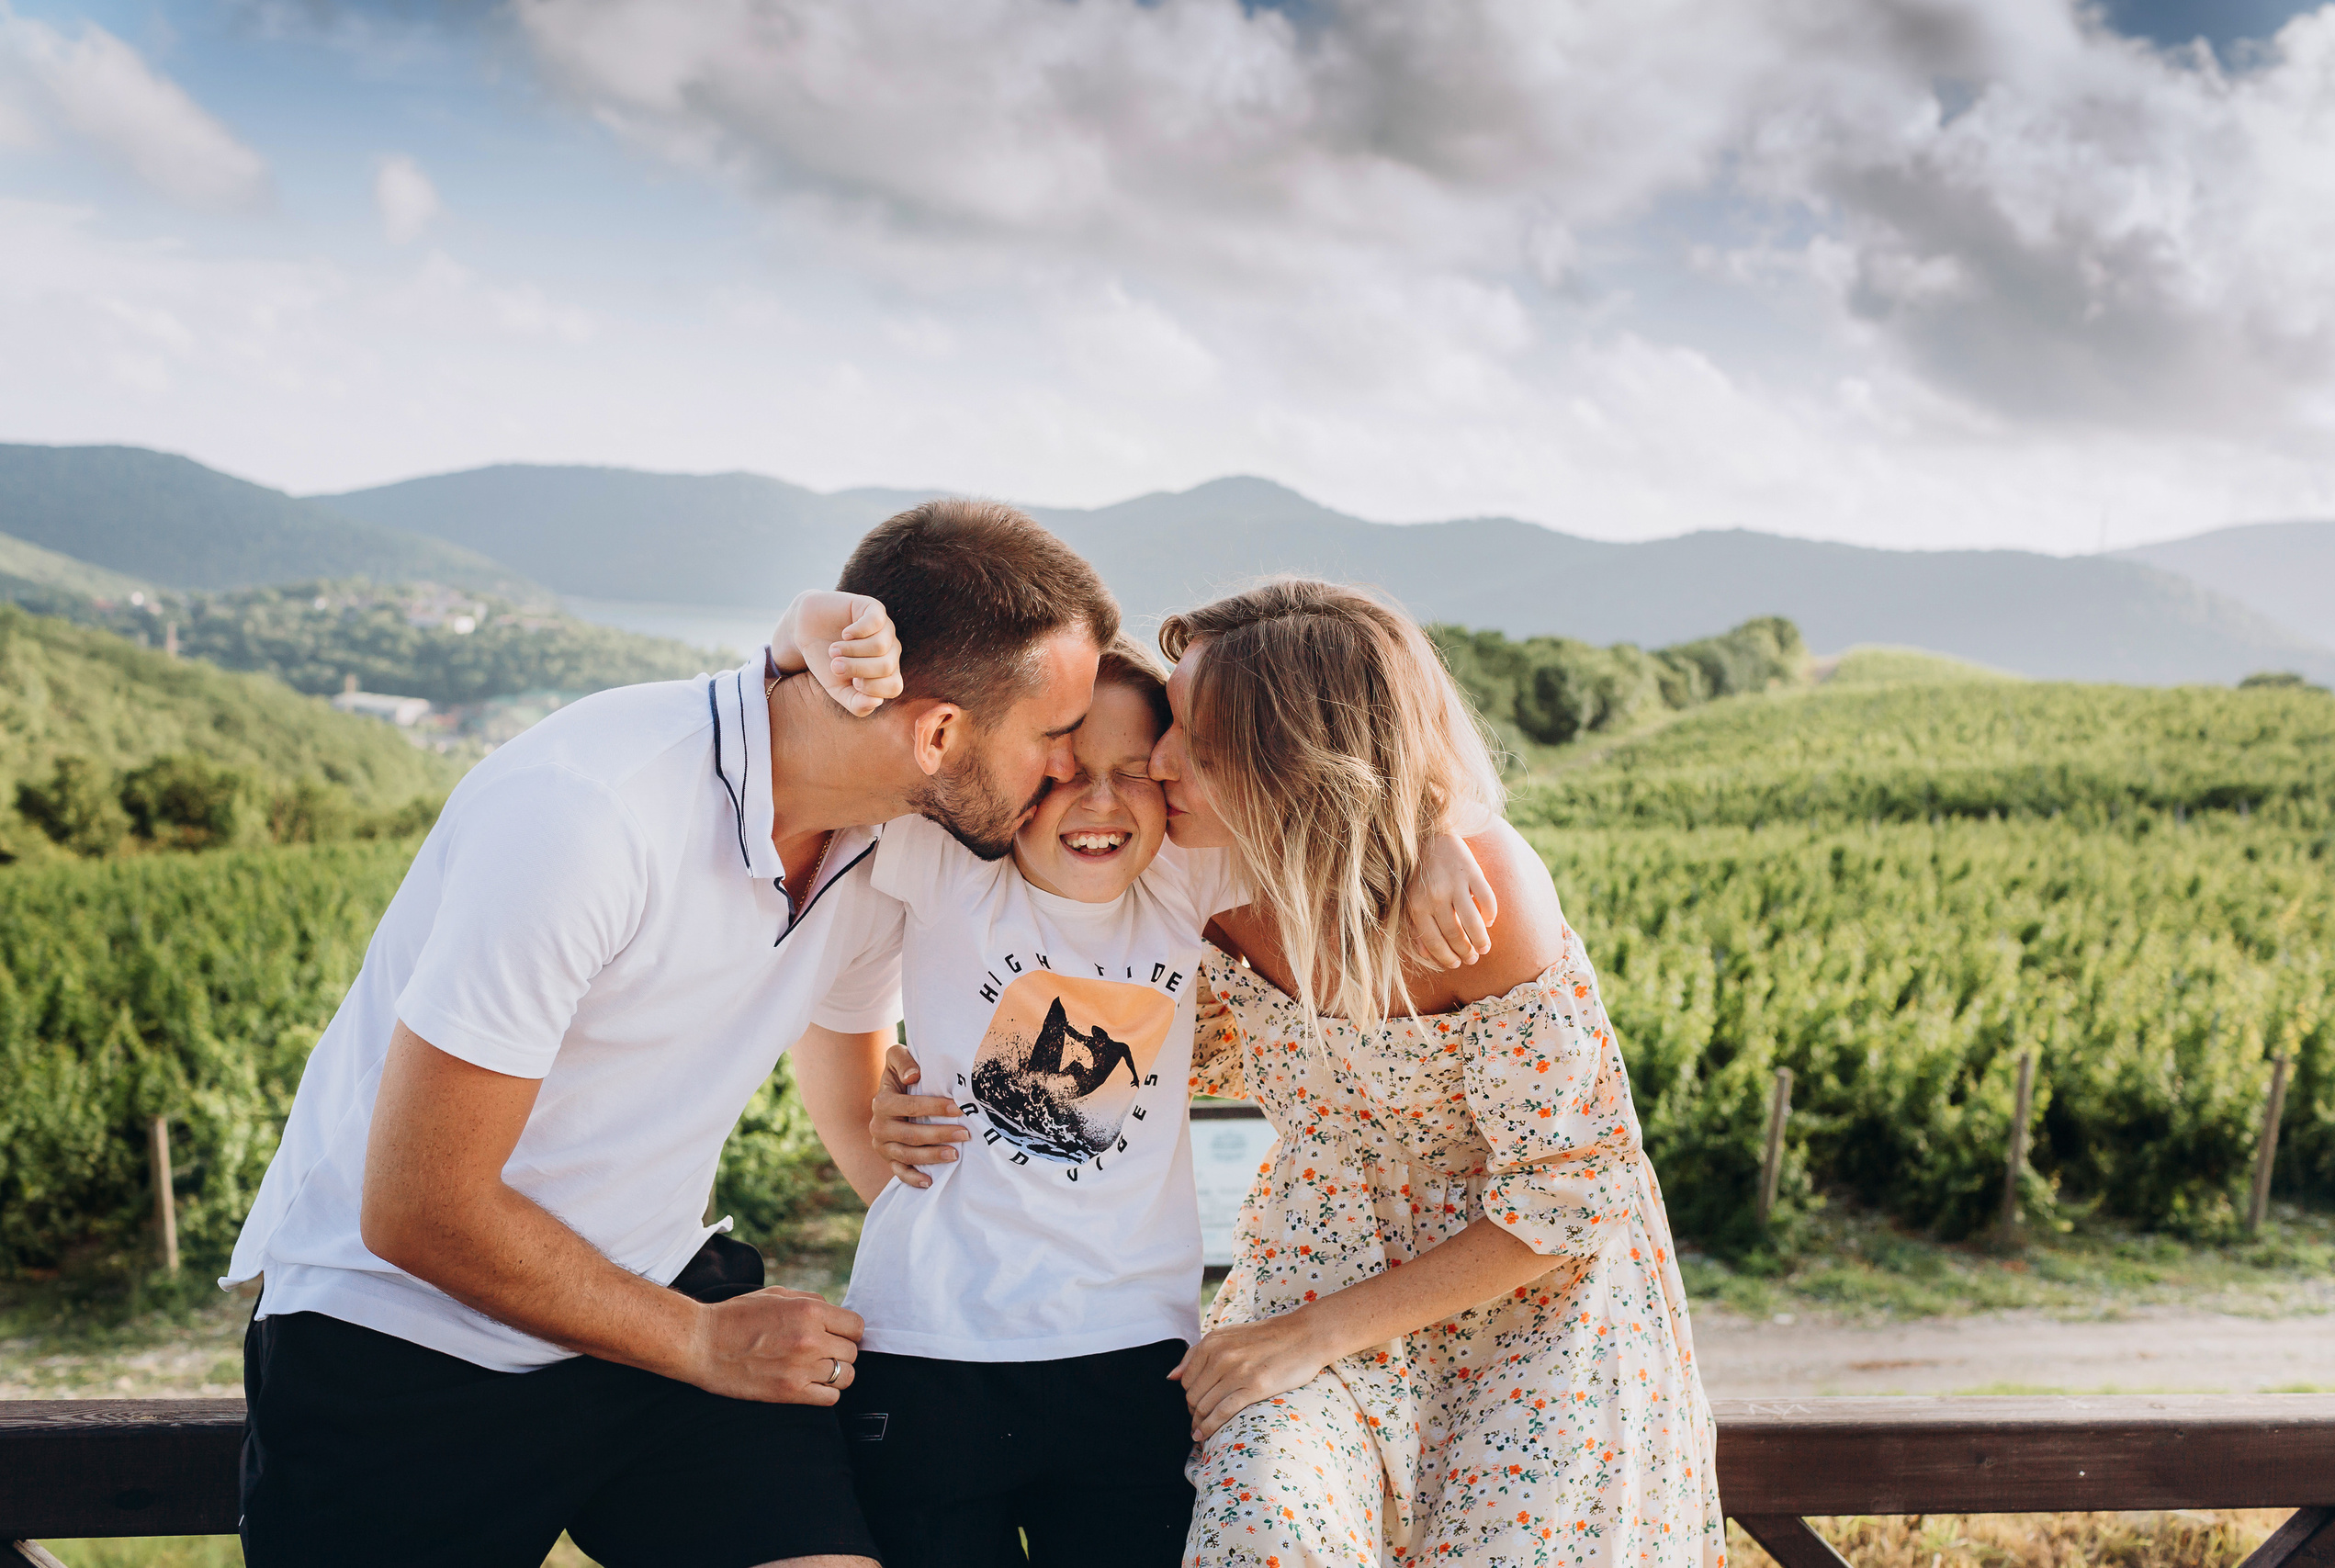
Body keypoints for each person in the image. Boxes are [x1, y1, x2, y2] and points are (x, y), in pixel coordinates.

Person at [220, 499, 1122, 1568]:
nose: (1069, 768)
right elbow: (420, 1208)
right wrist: (699, 1340)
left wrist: (981, 1270)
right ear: (936, 735)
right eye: (1055, 735)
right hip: (400, 1335)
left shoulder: (887, 845)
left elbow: (851, 1089)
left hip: (646, 1299)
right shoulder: (586, 816)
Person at [842, 639, 1494, 1568]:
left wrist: (1433, 832)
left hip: (1132, 1355)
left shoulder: (1183, 880)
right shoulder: (947, 868)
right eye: (1063, 772)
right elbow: (873, 735)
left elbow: (1329, 792)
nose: (1101, 801)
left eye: (1135, 773)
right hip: (930, 1347)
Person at [1157, 581, 1720, 1565]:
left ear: (1301, 764)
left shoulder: (1485, 897)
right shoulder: (1195, 881)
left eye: (1199, 749)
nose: (1159, 762)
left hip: (1537, 1319)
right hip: (1317, 1273)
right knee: (1260, 1521)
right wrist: (929, 1084)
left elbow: (1570, 1191)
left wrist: (1312, 1334)